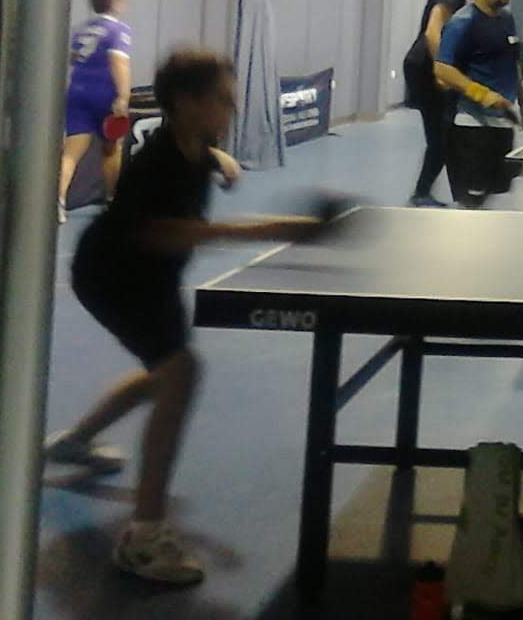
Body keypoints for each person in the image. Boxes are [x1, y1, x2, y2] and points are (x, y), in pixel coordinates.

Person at [44, 48, 322, 584]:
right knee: (180, 372)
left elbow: (195, 161)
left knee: (166, 370)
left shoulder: (190, 143)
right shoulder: (159, 164)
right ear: (187, 103)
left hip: (150, 277)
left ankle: (75, 442)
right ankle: (143, 536)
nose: (232, 109)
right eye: (222, 100)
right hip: (114, 275)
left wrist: (219, 159)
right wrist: (271, 229)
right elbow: (164, 232)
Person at [435, 0, 523, 209]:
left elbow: (511, 62)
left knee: (494, 195)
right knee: (471, 204)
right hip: (471, 129)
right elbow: (442, 68)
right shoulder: (462, 22)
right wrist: (483, 94)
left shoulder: (506, 19)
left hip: (503, 124)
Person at [402, 0, 484, 207]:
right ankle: (423, 194)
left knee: (446, 136)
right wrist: (441, 69)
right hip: (425, 69)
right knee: (442, 136)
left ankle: (446, 192)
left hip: (427, 68)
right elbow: (432, 31)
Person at [60, 0, 134, 221]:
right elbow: (118, 62)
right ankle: (113, 201)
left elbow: (73, 60)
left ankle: (58, 202)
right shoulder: (119, 30)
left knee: (71, 153)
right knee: (111, 149)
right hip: (105, 95)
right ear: (115, 3)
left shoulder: (81, 30)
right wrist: (123, 96)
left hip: (77, 93)